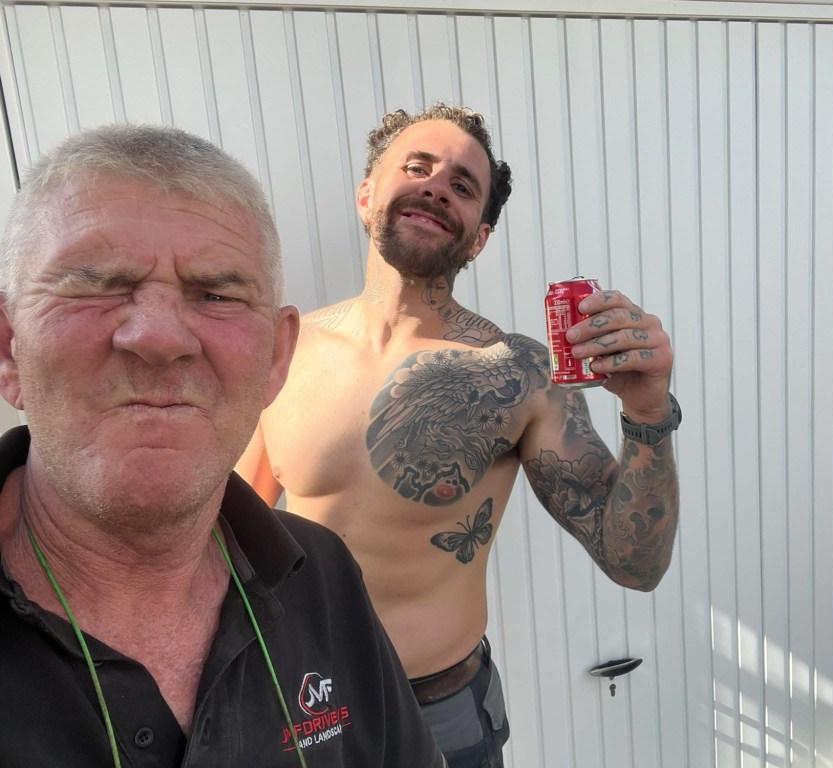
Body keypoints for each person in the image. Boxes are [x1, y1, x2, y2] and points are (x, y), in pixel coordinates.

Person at [237, 103, 680, 768]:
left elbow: (634, 563)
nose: (438, 186)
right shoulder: (284, 349)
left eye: (463, 186)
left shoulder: (518, 374)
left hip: (441, 715)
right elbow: (227, 531)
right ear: (367, 195)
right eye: (417, 167)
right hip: (301, 702)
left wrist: (647, 413)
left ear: (479, 237)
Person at [0, 124, 445, 767]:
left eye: (215, 294)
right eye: (97, 285)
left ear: (275, 357)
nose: (159, 337)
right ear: (9, 346)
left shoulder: (322, 578)